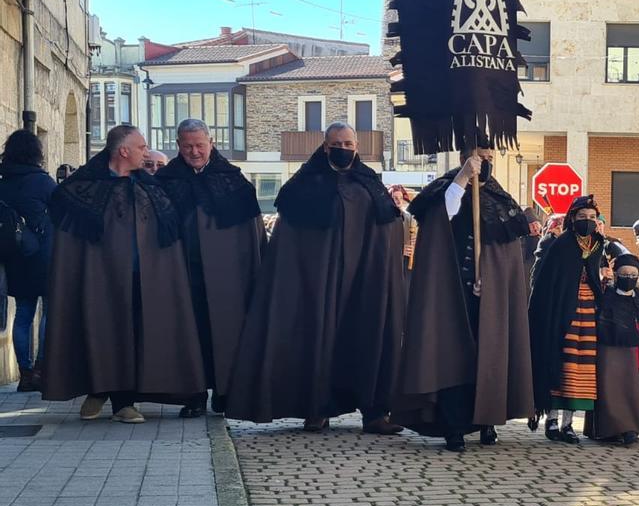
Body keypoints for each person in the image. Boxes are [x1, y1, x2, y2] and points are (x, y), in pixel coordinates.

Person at [224, 122, 406, 434]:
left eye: (349, 144)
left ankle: (374, 413)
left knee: (368, 337)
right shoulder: (304, 184)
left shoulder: (368, 182)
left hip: (364, 282)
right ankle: (316, 408)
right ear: (325, 146)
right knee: (317, 339)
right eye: (337, 143)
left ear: (357, 146)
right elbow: (290, 241)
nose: (344, 149)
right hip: (317, 283)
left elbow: (387, 224)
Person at [43, 125, 206, 423]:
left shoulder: (151, 187)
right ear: (123, 151)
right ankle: (99, 390)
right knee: (100, 331)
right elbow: (69, 237)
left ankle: (123, 402)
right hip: (98, 279)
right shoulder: (82, 187)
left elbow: (169, 231)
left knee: (135, 335)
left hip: (145, 279)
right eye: (142, 147)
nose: (146, 153)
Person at [397, 141, 538, 452]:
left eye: (489, 158)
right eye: (478, 157)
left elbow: (509, 252)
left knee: (489, 356)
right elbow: (439, 219)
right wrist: (462, 178)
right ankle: (454, 426)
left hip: (489, 294)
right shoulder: (446, 188)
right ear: (464, 158)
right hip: (449, 292)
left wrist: (494, 280)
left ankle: (486, 422)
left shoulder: (501, 197)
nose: (484, 162)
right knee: (451, 357)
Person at [156, 119, 264, 417]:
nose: (194, 151)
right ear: (178, 145)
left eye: (199, 145)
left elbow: (250, 234)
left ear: (211, 143)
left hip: (227, 279)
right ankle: (193, 394)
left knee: (227, 333)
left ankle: (225, 391)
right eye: (188, 146)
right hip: (182, 275)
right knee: (188, 334)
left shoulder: (234, 181)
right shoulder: (165, 181)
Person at [527, 195, 626, 443]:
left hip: (587, 310)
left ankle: (568, 424)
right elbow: (548, 280)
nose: (588, 222)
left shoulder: (598, 244)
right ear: (573, 218)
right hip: (562, 310)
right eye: (582, 217)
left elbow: (595, 273)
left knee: (582, 364)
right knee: (561, 360)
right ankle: (551, 419)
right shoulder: (562, 244)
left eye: (592, 218)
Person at [0, 130, 56, 392]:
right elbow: (60, 210)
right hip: (44, 254)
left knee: (23, 313)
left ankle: (25, 373)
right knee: (49, 312)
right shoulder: (42, 182)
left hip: (15, 255)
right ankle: (42, 370)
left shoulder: (3, 181)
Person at [585, 252, 639, 446]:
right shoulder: (605, 294)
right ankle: (609, 429)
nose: (629, 278)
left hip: (630, 350)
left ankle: (629, 428)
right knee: (608, 389)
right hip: (607, 348)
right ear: (616, 274)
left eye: (634, 275)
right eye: (625, 274)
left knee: (629, 389)